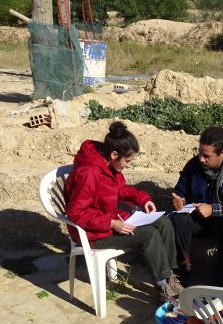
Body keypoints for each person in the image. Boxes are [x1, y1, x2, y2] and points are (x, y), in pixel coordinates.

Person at [64, 121, 181, 304]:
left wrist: (144, 199)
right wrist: (111, 223)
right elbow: (76, 213)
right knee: (149, 234)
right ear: (114, 154)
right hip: (93, 234)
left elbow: (122, 189)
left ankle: (170, 276)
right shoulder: (88, 173)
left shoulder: (110, 166)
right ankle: (162, 286)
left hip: (109, 220)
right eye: (127, 161)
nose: (127, 165)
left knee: (163, 222)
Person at [170, 126, 223, 285]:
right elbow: (180, 191)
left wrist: (213, 209)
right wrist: (179, 200)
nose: (201, 159)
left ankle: (221, 270)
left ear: (222, 153)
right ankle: (184, 266)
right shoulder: (194, 165)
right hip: (201, 221)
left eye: (207, 156)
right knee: (179, 219)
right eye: (200, 153)